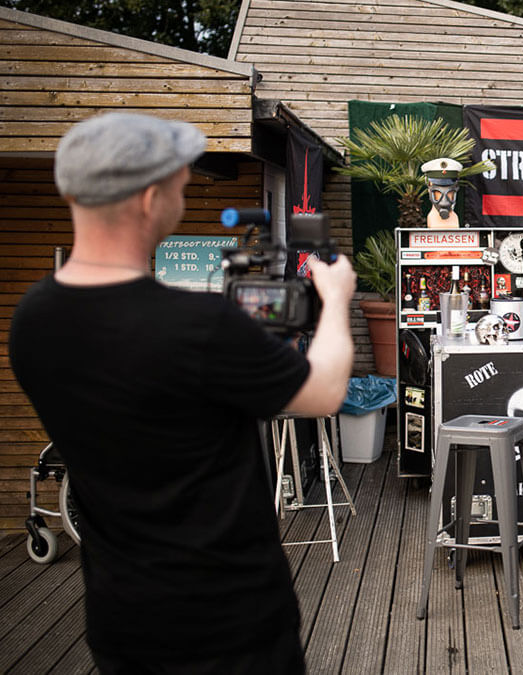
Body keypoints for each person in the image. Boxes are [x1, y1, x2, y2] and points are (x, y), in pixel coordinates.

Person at [8, 113, 357, 673]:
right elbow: (322, 392)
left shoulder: (31, 321)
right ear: (148, 198)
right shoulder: (197, 326)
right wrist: (337, 298)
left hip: (120, 621)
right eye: (179, 180)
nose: (186, 188)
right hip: (229, 625)